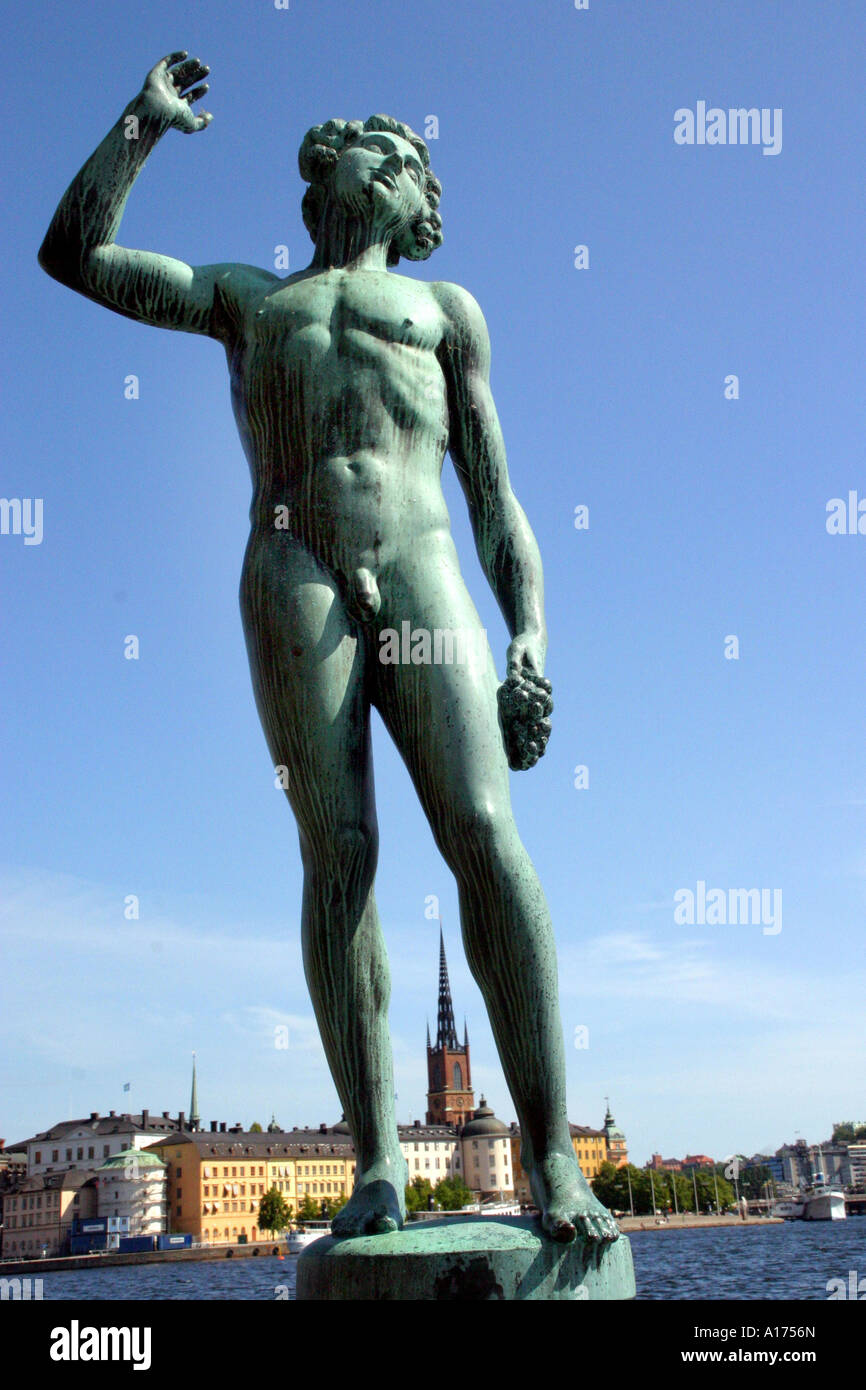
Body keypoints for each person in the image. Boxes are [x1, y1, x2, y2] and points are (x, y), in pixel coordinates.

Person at [39, 53, 619, 1246]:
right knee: (338, 850)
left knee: (481, 828)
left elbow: (498, 503)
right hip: (291, 570)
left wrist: (530, 638)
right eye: (383, 153)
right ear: (333, 180)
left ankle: (554, 1154)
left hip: (420, 566)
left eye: (409, 165)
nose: (394, 171)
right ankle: (376, 1164)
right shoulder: (253, 301)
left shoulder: (444, 312)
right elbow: (75, 258)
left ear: (415, 207)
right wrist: (139, 129)